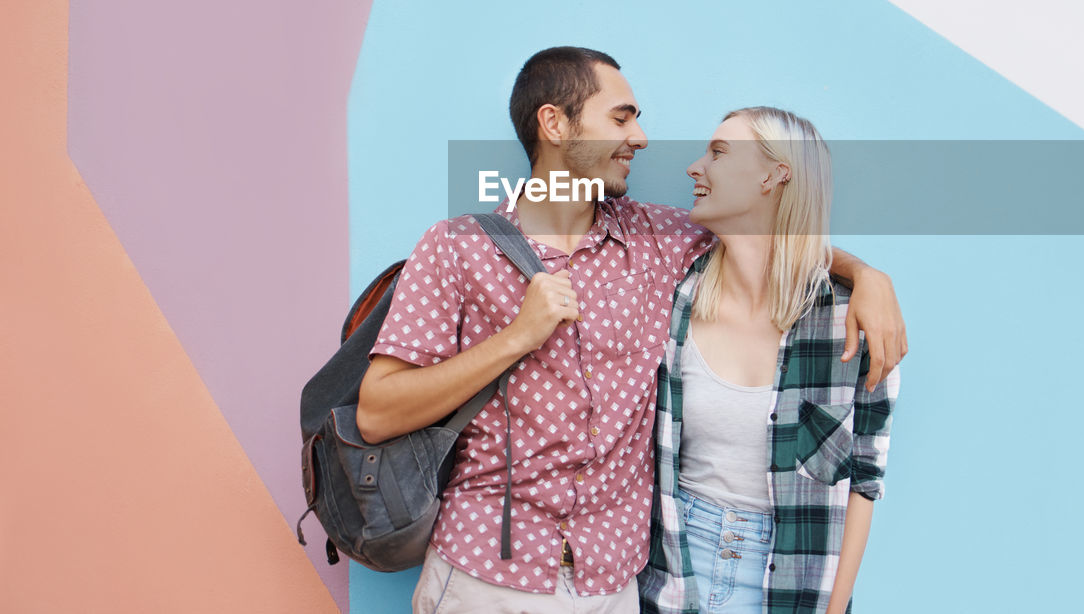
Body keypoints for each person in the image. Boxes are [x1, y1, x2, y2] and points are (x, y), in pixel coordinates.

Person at [355, 48, 906, 613]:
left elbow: (767, 233)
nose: (640, 138)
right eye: (621, 118)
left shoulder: (659, 241)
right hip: (485, 576)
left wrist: (866, 275)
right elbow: (376, 414)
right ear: (555, 124)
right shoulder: (456, 248)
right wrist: (516, 337)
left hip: (613, 587)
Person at [640, 107, 898, 614]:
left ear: (776, 174)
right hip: (669, 572)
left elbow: (864, 478)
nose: (695, 167)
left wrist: (833, 608)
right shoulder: (672, 292)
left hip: (787, 584)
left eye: (718, 152)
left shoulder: (853, 318)